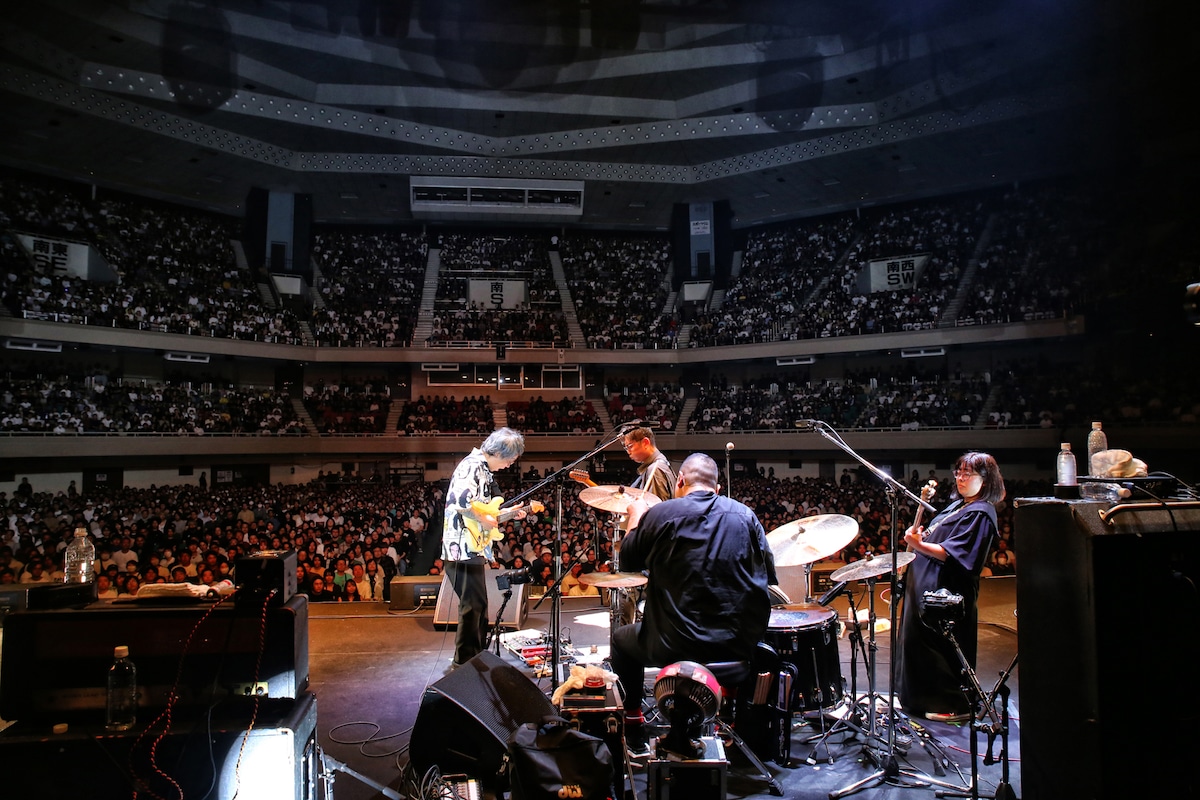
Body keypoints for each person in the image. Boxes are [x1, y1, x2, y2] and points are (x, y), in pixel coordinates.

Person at [610, 453, 777, 754]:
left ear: (680, 481)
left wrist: (636, 514)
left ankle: (633, 724)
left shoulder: (661, 513)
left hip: (671, 646)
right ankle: (731, 718)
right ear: (718, 488)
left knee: (621, 640)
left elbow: (628, 561)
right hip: (735, 647)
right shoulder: (745, 515)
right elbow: (768, 576)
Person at [898, 451, 1005, 723]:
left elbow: (956, 553)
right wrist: (917, 539)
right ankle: (917, 700)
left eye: (968, 473)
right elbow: (929, 536)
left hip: (946, 591)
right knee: (919, 645)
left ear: (986, 479)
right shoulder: (958, 506)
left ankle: (947, 704)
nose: (961, 478)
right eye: (959, 472)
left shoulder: (981, 512)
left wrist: (918, 545)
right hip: (923, 586)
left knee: (940, 649)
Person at [441, 427, 528, 668]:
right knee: (472, 605)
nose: (510, 464)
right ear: (499, 452)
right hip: (461, 546)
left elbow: (486, 510)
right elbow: (460, 502)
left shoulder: (484, 470)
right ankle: (463, 662)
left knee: (478, 605)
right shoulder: (471, 466)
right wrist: (483, 518)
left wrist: (509, 513)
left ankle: (476, 656)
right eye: (510, 459)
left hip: (473, 546)